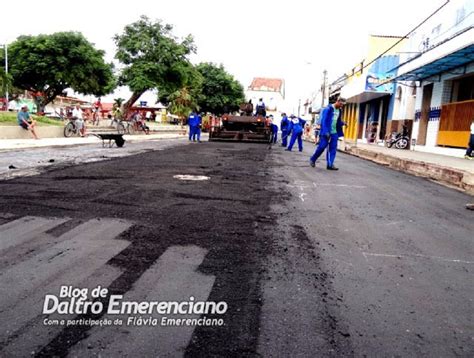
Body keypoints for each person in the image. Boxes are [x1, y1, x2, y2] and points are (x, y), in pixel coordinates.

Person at [309, 97, 346, 170]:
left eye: (342, 105)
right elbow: (324, 121)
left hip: (334, 132)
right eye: (341, 104)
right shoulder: (328, 109)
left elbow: (337, 121)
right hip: (326, 132)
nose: (341, 106)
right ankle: (313, 159)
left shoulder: (339, 111)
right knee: (322, 147)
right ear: (337, 101)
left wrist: (343, 123)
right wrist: (326, 131)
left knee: (332, 149)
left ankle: (330, 164)